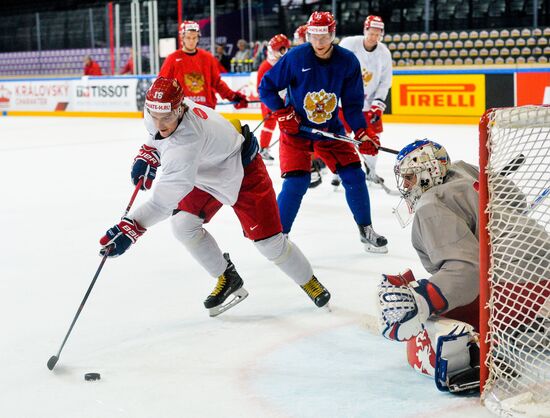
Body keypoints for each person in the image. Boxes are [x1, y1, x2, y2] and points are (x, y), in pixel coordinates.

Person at [99, 77, 331, 317]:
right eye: (154, 116)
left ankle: (308, 281)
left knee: (270, 244)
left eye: (166, 118)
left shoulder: (185, 144)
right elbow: (157, 134)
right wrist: (149, 152)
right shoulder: (166, 109)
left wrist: (132, 227)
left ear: (180, 110)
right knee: (183, 225)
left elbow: (161, 203)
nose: (159, 124)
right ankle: (227, 276)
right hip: (208, 169)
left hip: (243, 169)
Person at [377, 139, 550, 393]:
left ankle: (470, 356)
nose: (405, 185)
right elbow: (517, 200)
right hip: (541, 265)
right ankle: (533, 322)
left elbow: (466, 272)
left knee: (438, 315)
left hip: (513, 284)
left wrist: (423, 301)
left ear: (429, 172)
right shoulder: (466, 170)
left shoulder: (430, 206)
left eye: (410, 177)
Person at [258, 11, 388, 254]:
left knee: (355, 177)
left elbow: (351, 105)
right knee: (297, 182)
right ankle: (277, 236)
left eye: (323, 36)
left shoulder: (347, 61)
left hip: (330, 131)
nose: (318, 42)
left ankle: (366, 228)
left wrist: (362, 133)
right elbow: (266, 88)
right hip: (296, 132)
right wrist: (283, 113)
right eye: (313, 36)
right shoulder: (296, 57)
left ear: (332, 34)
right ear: (308, 34)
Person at [333, 15, 393, 189]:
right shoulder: (349, 44)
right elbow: (336, 68)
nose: (374, 37)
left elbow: (385, 81)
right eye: (371, 32)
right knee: (341, 137)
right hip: (347, 102)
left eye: (377, 34)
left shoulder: (384, 53)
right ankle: (339, 170)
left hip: (369, 104)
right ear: (365, 30)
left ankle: (371, 171)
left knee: (373, 138)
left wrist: (378, 105)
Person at [158, 20, 247, 110]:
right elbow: (162, 85)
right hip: (182, 111)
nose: (191, 41)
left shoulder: (208, 58)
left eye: (194, 37)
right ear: (182, 38)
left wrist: (233, 97)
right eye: (188, 38)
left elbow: (217, 83)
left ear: (198, 37)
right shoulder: (172, 59)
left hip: (206, 109)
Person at [256, 34, 291, 162]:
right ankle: (264, 148)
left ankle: (286, 149)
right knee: (269, 122)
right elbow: (260, 89)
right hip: (269, 102)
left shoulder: (284, 63)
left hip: (283, 101)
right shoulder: (265, 66)